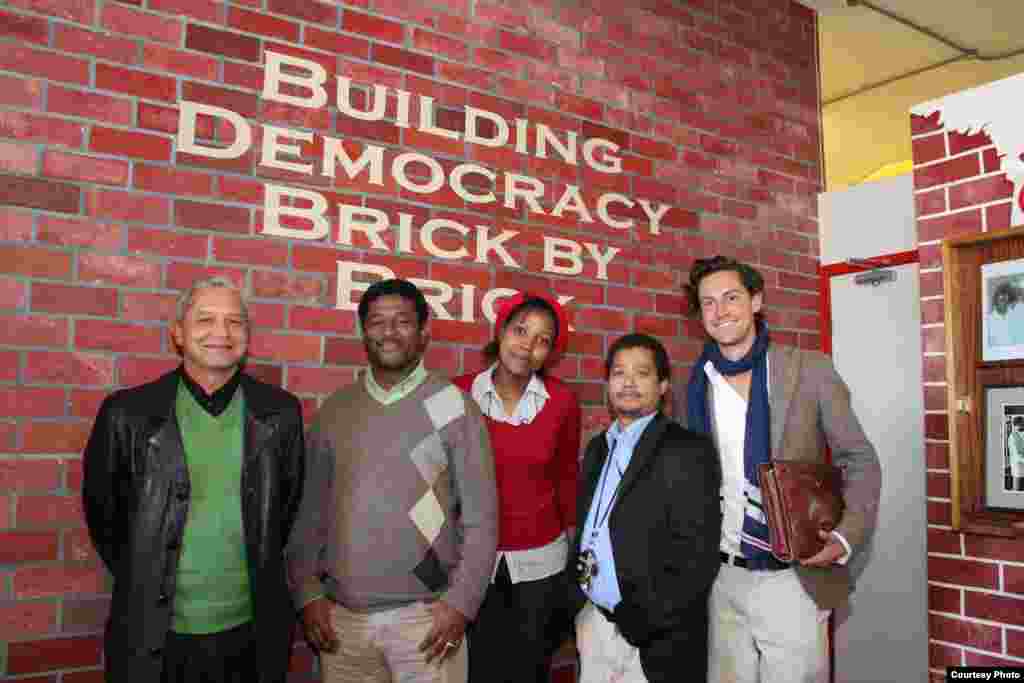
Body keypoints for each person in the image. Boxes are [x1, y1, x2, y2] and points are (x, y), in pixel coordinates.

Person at [82, 277, 306, 683]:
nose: (222, 333)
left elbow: (285, 511)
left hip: (250, 633)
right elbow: (105, 517)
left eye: (235, 322)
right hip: (156, 634)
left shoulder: (281, 414)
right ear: (178, 334)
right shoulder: (126, 415)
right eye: (205, 319)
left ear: (247, 337)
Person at [675, 255, 882, 683]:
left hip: (792, 578)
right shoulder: (694, 385)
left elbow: (858, 458)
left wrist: (846, 536)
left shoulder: (810, 369)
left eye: (731, 297)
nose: (720, 311)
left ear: (756, 301)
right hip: (721, 578)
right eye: (708, 303)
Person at [288, 278, 498, 683]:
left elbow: (482, 517)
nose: (389, 332)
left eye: (402, 321)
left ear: (424, 332)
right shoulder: (336, 411)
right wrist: (308, 592)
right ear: (363, 332)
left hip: (427, 621)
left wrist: (462, 603)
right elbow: (309, 512)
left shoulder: (454, 406)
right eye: (377, 322)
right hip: (343, 623)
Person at [569, 333, 722, 683]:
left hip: (650, 638)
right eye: (619, 373)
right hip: (593, 623)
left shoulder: (687, 450)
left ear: (663, 384)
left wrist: (642, 620)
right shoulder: (597, 449)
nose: (628, 382)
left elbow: (697, 558)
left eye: (642, 373)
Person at [451, 292, 580, 683]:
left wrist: (572, 559)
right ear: (501, 331)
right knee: (477, 670)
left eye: (542, 340)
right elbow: (430, 479)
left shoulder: (562, 402)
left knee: (529, 671)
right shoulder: (455, 394)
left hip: (542, 565)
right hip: (471, 564)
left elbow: (565, 479)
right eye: (520, 330)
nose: (527, 346)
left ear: (550, 352)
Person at [1008, 416, 1024, 491]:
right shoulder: (1013, 436)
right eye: (1018, 424)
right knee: (1018, 490)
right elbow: (1016, 455)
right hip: (1018, 469)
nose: (1021, 425)